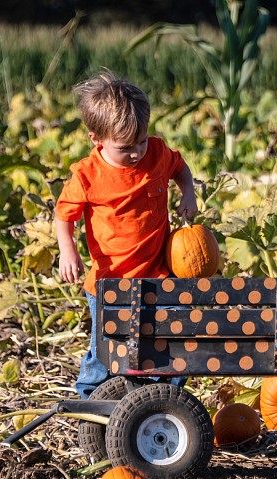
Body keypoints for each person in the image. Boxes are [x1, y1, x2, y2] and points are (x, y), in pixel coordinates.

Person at [54, 71, 198, 399]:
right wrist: (68, 250)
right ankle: (91, 404)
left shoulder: (158, 154)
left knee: (170, 345)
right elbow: (64, 216)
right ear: (97, 139)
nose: (136, 153)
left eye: (141, 142)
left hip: (159, 276)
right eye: (125, 148)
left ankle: (160, 400)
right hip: (109, 284)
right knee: (105, 352)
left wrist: (188, 192)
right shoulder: (87, 176)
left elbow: (180, 168)